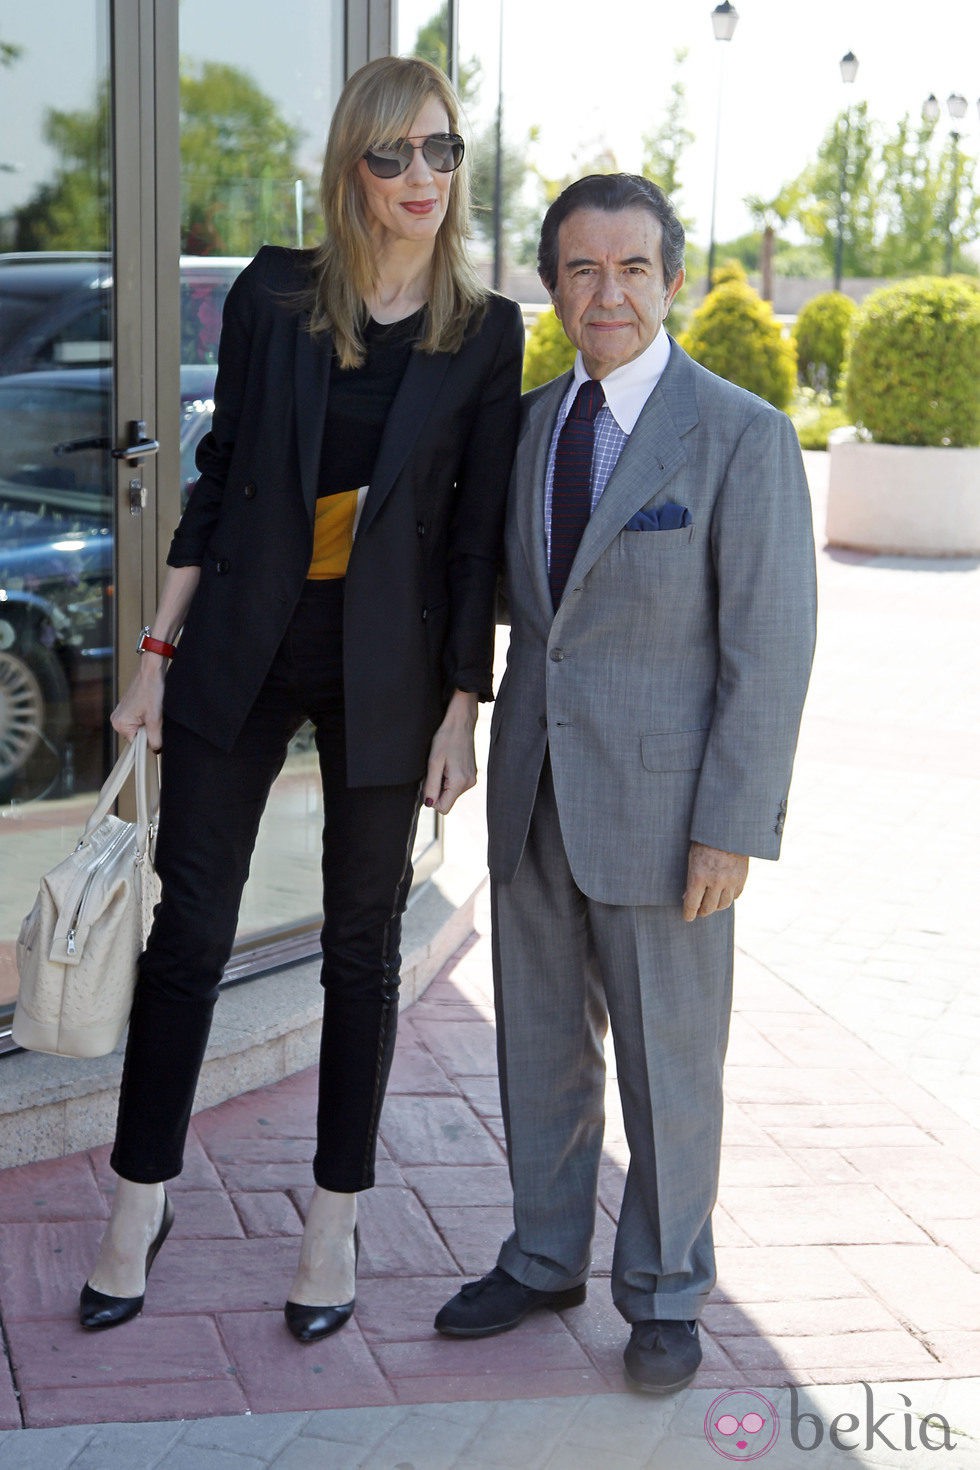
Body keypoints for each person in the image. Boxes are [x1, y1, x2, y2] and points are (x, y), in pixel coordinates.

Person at [78, 55, 523, 1342]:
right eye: (391, 156)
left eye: (439, 151)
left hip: (391, 662)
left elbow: (476, 540)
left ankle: (330, 1221)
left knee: (357, 951)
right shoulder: (277, 295)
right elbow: (215, 484)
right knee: (193, 935)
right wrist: (153, 660)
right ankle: (135, 1198)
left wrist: (462, 707)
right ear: (351, 168)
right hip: (244, 643)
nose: (420, 178)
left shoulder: (487, 331)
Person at [434, 174, 816, 1393]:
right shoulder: (529, 426)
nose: (608, 293)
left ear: (674, 281)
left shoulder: (739, 435)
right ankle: (544, 1256)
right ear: (551, 286)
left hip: (667, 816)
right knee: (538, 1048)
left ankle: (662, 1291)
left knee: (669, 1064)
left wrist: (730, 828)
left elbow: (770, 648)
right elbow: (504, 607)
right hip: (534, 795)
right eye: (582, 270)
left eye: (633, 268)